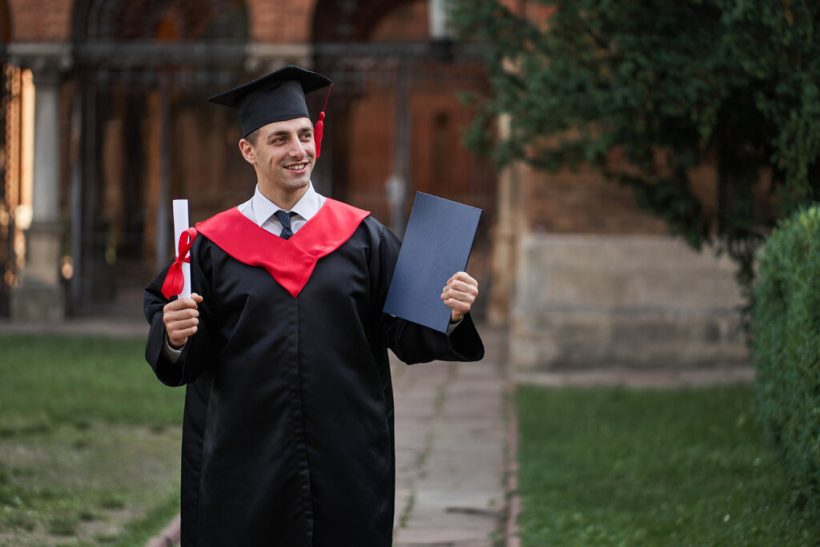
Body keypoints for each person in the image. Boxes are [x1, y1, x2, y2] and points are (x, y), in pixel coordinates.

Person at [143, 65, 484, 547]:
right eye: (279, 139)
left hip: (345, 456)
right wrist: (174, 337)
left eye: (305, 135)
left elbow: (406, 335)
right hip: (244, 459)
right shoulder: (209, 245)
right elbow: (179, 348)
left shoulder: (363, 237)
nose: (298, 150)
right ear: (248, 150)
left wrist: (450, 314)